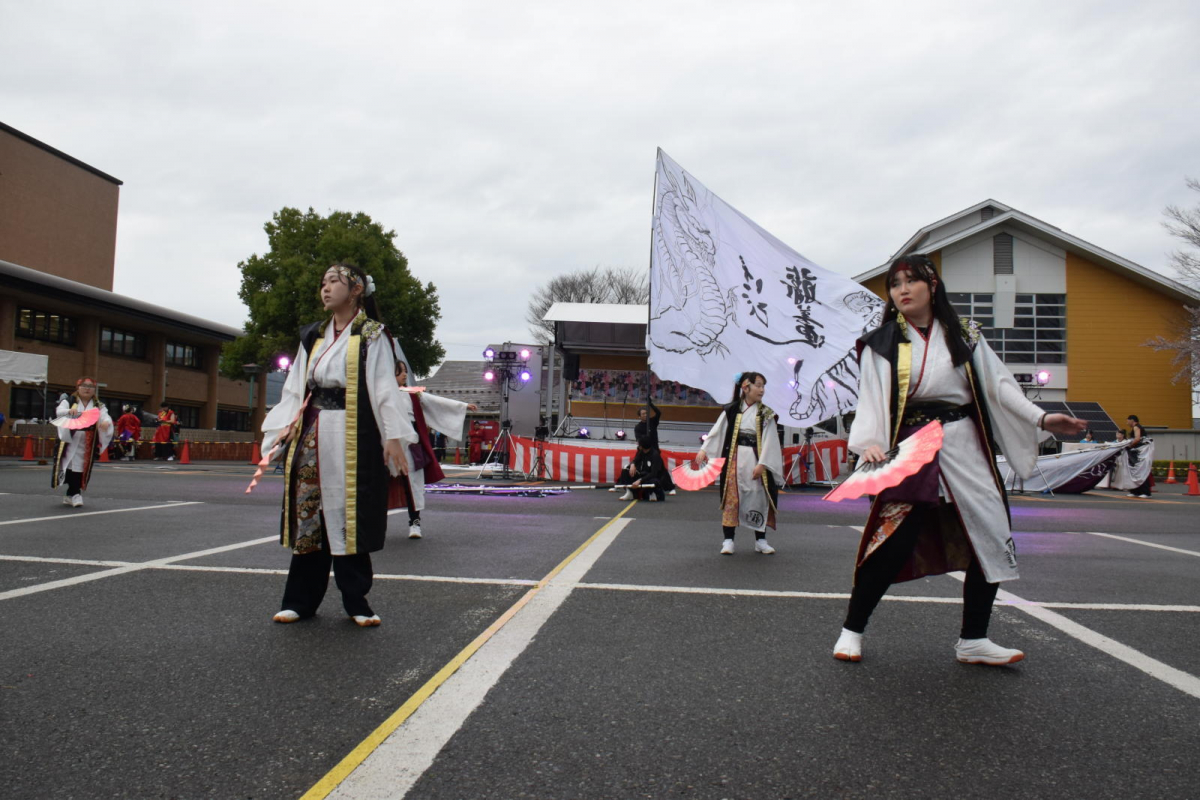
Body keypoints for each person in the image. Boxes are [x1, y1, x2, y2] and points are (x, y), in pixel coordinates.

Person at [834, 255, 1086, 665]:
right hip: (911, 445)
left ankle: (974, 639)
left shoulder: (966, 334)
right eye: (894, 283)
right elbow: (872, 397)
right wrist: (870, 443)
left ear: (933, 285)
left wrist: (1042, 418)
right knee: (891, 540)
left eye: (911, 281)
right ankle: (852, 629)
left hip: (965, 441)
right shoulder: (881, 342)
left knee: (990, 532)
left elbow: (1000, 386)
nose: (902, 289)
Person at [261, 262, 416, 627]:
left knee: (349, 512)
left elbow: (382, 387)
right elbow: (296, 387)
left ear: (357, 289)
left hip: (353, 433)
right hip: (313, 433)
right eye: (323, 283)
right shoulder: (313, 335)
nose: (326, 288)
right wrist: (283, 428)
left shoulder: (372, 334)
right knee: (310, 513)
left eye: (334, 281)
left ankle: (357, 600)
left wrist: (392, 436)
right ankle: (299, 600)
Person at [388, 355, 477, 539]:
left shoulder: (413, 394)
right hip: (388, 443)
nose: (405, 374)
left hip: (410, 444)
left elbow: (435, 401)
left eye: (405, 371)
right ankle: (375, 526)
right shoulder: (380, 394)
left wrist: (462, 406)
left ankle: (415, 523)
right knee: (381, 485)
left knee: (412, 485)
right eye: (401, 371)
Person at [696, 372, 784, 555]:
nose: (762, 390)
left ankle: (761, 540)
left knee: (759, 498)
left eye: (763, 386)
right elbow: (718, 430)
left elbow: (771, 440)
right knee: (732, 498)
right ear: (746, 387)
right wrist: (705, 449)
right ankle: (728, 540)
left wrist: (763, 464)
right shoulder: (732, 409)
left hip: (756, 458)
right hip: (735, 459)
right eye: (758, 385)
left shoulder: (766, 413)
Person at [52, 377, 113, 507]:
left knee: (81, 466)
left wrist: (106, 422)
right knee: (68, 465)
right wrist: (69, 411)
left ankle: (73, 494)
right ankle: (74, 493)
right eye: (84, 385)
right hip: (71, 438)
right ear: (78, 387)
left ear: (94, 390)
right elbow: (59, 411)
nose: (87, 388)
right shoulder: (69, 401)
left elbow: (105, 415)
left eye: (90, 386)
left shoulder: (98, 405)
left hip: (87, 440)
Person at [634, 397, 676, 495]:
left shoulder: (652, 422)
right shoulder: (638, 427)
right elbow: (639, 439)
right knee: (633, 464)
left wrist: (651, 404)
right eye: (643, 414)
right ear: (639, 416)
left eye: (646, 413)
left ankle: (670, 488)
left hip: (654, 451)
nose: (645, 415)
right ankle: (623, 484)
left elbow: (658, 413)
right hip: (643, 450)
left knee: (661, 469)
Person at [616, 436, 669, 501]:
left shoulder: (655, 455)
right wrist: (633, 464)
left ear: (642, 446)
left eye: (639, 445)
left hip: (654, 477)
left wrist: (640, 480)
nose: (638, 446)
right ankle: (630, 492)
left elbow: (654, 473)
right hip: (643, 475)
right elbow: (636, 460)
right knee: (626, 470)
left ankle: (652, 493)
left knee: (653, 481)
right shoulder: (641, 452)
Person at [1123, 415, 1154, 498]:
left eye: (1127, 421)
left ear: (1132, 420)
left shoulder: (1136, 427)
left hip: (1139, 453)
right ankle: (1135, 491)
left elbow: (1137, 439)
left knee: (1140, 471)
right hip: (1136, 452)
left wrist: (1129, 446)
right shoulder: (1137, 427)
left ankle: (1145, 492)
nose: (1127, 423)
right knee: (1135, 471)